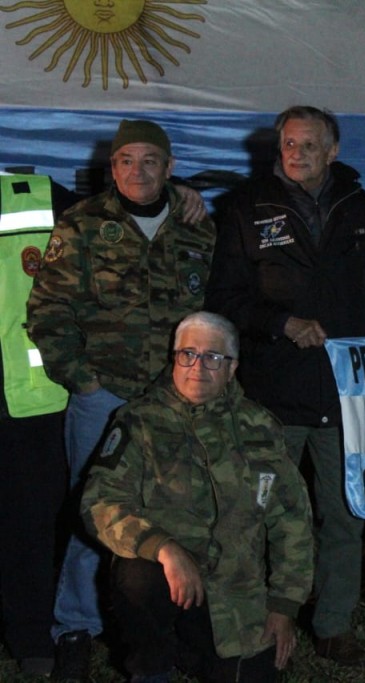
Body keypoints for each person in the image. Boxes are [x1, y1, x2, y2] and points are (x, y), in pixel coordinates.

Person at [26, 120, 216, 682]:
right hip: (102, 395)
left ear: (170, 167)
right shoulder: (83, 225)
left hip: (174, 399)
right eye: (126, 160)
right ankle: (77, 629)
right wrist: (81, 379)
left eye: (150, 160)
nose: (138, 170)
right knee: (95, 515)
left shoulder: (197, 230)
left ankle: (167, 631)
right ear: (112, 168)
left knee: (177, 514)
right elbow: (48, 312)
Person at [204, 105, 365, 667]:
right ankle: (253, 623)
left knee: (343, 513)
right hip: (271, 392)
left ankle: (332, 625)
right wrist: (282, 324)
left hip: (342, 389)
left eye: (309, 145)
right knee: (260, 512)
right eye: (288, 143)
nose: (297, 153)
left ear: (333, 151)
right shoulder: (243, 207)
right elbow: (224, 297)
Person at [81, 312, 314, 683]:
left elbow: (292, 518)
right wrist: (164, 548)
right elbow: (100, 502)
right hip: (166, 580)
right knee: (137, 578)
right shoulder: (139, 420)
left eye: (212, 357)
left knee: (254, 673)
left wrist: (285, 605)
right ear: (174, 359)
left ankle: (195, 653)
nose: (197, 367)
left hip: (234, 589)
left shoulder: (259, 426)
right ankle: (152, 668)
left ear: (232, 367)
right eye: (187, 354)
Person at [0, 172, 75, 676]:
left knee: (29, 525)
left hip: (29, 399)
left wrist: (182, 196)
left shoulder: (40, 194)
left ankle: (32, 638)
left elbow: (127, 210)